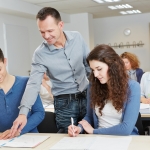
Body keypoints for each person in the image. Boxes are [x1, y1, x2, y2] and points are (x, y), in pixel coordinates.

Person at [10, 7, 90, 135]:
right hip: (64, 102)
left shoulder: (77, 38)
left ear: (61, 25)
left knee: (92, 133)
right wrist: (23, 113)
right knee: (68, 137)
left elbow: (89, 66)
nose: (46, 36)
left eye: (50, 30)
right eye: (42, 32)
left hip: (87, 95)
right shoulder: (40, 54)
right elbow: (33, 84)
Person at [68, 45, 140, 136]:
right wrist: (79, 128)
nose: (95, 75)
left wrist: (94, 131)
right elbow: (89, 117)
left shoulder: (133, 87)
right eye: (93, 70)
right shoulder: (93, 86)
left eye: (99, 69)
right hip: (98, 139)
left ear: (112, 66)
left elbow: (126, 129)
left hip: (123, 140)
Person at [0, 48, 45, 139]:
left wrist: (18, 131)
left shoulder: (26, 83)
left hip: (29, 138)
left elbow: (39, 112)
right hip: (3, 141)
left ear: (5, 61)